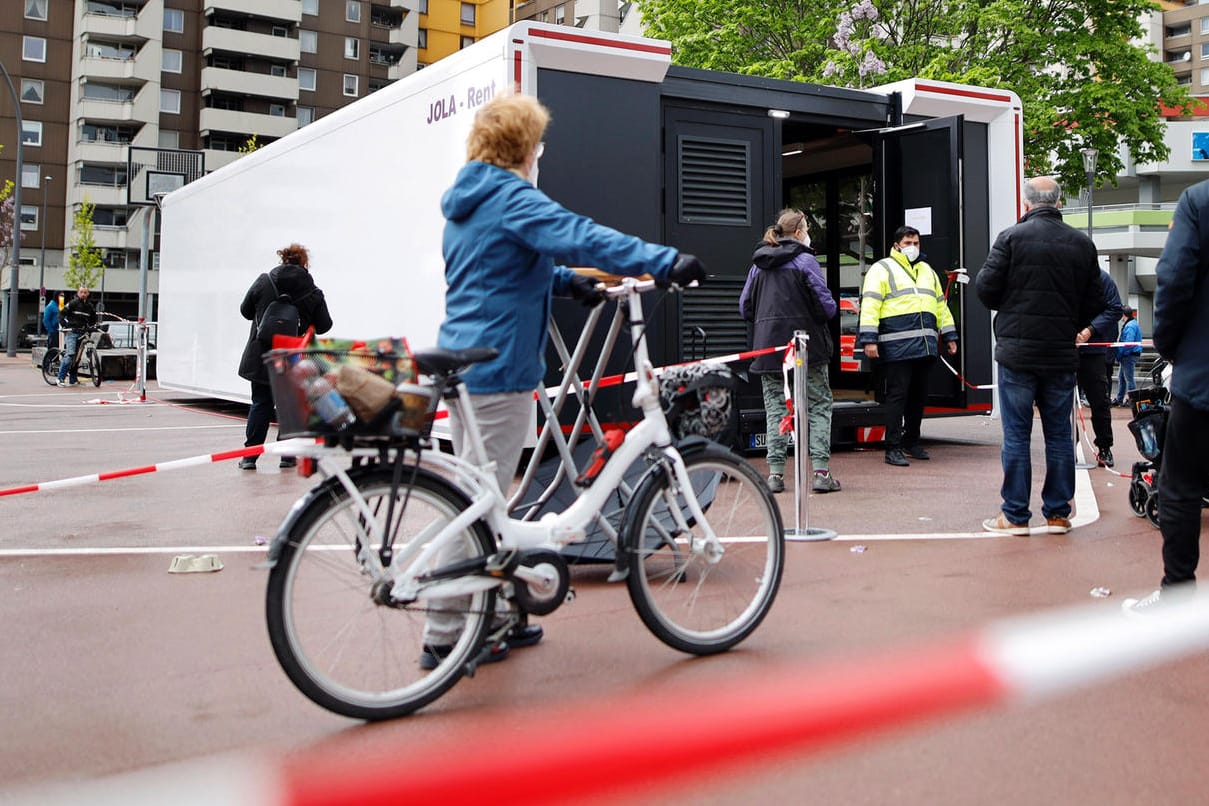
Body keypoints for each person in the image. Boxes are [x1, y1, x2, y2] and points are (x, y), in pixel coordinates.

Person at [432, 93, 704, 667]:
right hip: (497, 368)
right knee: (479, 503)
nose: (541, 154)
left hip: (471, 360)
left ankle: (497, 614)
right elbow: (578, 234)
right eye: (538, 144)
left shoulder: (471, 200)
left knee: (487, 497)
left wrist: (562, 283)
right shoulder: (509, 195)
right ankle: (445, 630)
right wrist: (661, 259)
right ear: (522, 146)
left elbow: (500, 268)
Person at [974, 176, 1104, 536]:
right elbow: (1095, 300)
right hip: (1061, 351)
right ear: (1059, 202)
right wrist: (1069, 319)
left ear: (1026, 203)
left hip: (1017, 350)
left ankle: (1015, 515)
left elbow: (985, 289)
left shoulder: (1011, 238)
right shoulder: (1081, 244)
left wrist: (1012, 306)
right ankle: (1058, 514)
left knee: (1016, 435)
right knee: (1060, 435)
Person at [1122, 180, 1209, 613]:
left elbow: (1173, 279)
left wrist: (1175, 349)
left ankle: (1178, 595)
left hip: (1204, 376)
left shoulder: (1199, 201)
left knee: (1181, 485)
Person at [739, 208, 840, 494]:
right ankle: (820, 472)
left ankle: (775, 475)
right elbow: (828, 307)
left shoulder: (758, 264)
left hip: (769, 350)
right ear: (798, 233)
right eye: (807, 227)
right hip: (808, 349)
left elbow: (744, 307)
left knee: (776, 409)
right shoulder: (806, 261)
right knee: (818, 405)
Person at [856, 225, 958, 467]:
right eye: (907, 243)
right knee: (897, 397)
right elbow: (870, 306)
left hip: (924, 347)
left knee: (918, 397)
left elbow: (940, 305)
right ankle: (892, 447)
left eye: (916, 243)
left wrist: (950, 335)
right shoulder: (882, 269)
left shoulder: (927, 271)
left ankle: (912, 441)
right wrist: (869, 340)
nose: (912, 247)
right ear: (896, 245)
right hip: (897, 346)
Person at [236, 243, 333, 470]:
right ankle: (287, 456)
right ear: (304, 263)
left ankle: (250, 457)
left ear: (283, 260)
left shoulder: (264, 281)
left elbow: (245, 311)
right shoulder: (313, 291)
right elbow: (325, 326)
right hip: (293, 358)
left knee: (260, 403)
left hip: (263, 354)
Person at [1076, 270, 1123, 467]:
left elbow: (1115, 308)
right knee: (1057, 399)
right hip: (1063, 347)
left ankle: (1105, 446)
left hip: (1093, 350)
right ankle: (1068, 444)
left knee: (1100, 400)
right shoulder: (1062, 273)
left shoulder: (1102, 279)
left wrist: (1090, 330)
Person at [56, 287, 98, 387]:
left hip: (82, 333)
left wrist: (93, 327)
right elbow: (61, 314)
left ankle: (73, 379)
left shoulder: (90, 306)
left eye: (85, 292)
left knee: (77, 357)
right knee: (70, 354)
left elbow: (93, 319)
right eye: (81, 292)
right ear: (78, 293)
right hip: (72, 332)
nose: (83, 294)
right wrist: (65, 325)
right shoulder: (73, 303)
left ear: (88, 294)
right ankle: (60, 378)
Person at [1111, 306, 1143, 406]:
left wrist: (1120, 355)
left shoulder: (1129, 326)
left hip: (1128, 355)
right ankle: (1121, 399)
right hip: (1129, 354)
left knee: (1128, 378)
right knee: (1122, 377)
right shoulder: (1133, 324)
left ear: (1124, 314)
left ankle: (1132, 400)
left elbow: (1128, 343)